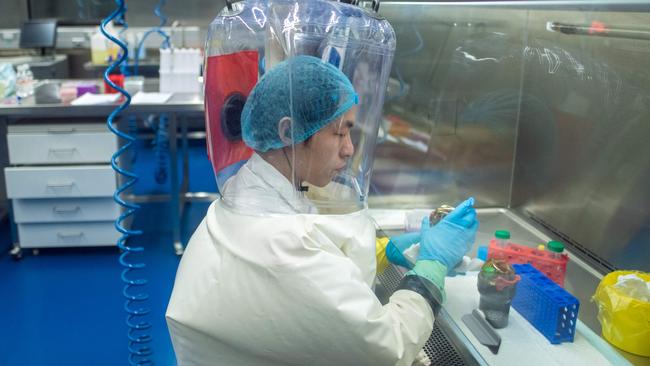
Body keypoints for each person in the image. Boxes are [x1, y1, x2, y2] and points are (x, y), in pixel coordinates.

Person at [166, 55, 478, 366]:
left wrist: (380, 252)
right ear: (289, 132)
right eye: (340, 133)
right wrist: (431, 267)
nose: (349, 149)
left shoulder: (251, 190)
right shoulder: (284, 244)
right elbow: (388, 347)